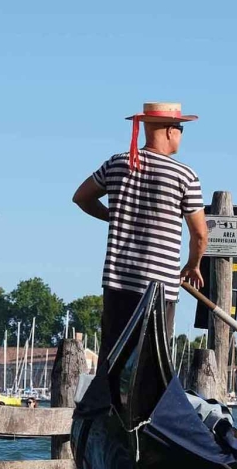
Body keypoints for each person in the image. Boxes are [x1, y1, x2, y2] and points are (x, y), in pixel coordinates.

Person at [72, 102, 208, 363]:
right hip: (158, 287)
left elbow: (81, 197)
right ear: (169, 131)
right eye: (180, 128)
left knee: (113, 355)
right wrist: (193, 265)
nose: (180, 134)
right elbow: (200, 234)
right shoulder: (184, 175)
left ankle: (107, 403)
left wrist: (113, 217)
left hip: (117, 281)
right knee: (151, 359)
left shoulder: (117, 163)